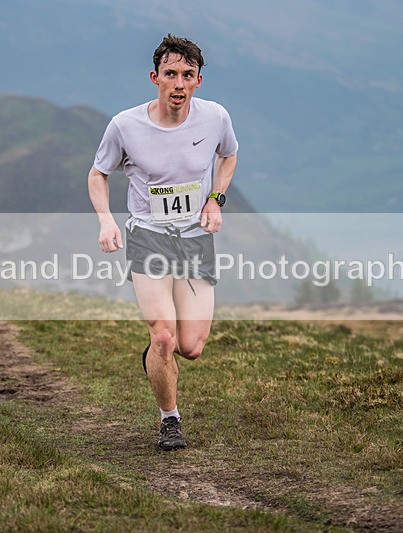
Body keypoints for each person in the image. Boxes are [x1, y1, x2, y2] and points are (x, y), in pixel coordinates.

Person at [88, 34, 238, 450]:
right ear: (155, 77)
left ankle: (157, 357)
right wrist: (106, 221)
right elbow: (98, 173)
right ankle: (169, 419)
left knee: (190, 346)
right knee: (165, 336)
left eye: (187, 75)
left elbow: (229, 155)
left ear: (198, 81)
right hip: (148, 237)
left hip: (194, 240)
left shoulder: (215, 118)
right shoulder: (125, 126)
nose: (179, 83)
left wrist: (214, 200)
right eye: (170, 74)